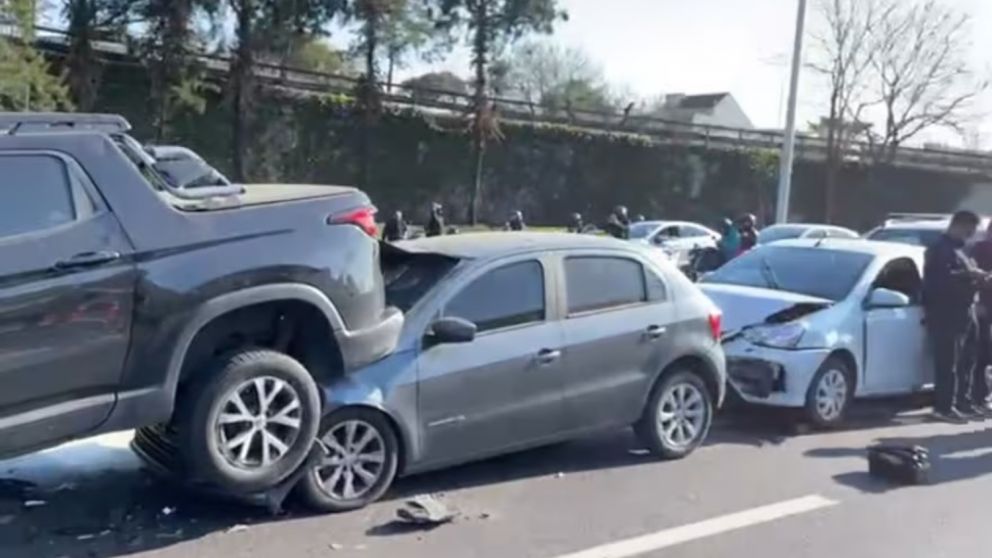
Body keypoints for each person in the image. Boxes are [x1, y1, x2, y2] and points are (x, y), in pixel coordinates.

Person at [924, 210, 988, 423]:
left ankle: (963, 402)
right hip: (946, 313)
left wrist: (980, 278)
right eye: (970, 230)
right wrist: (970, 275)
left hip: (965, 311)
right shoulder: (939, 249)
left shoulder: (961, 250)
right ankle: (943, 407)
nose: (972, 234)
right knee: (948, 363)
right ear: (959, 225)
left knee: (967, 360)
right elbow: (938, 282)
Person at [969, 225, 992, 413]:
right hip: (984, 307)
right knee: (982, 354)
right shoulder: (979, 250)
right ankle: (978, 396)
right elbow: (973, 278)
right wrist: (979, 302)